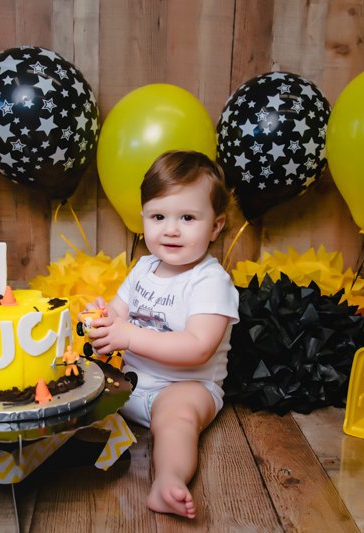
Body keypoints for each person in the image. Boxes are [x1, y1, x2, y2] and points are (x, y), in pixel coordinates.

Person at [85, 150, 239, 519]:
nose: (171, 229)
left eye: (187, 217)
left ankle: (168, 481)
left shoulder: (210, 280)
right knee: (77, 390)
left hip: (185, 387)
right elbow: (120, 314)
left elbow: (198, 347)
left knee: (177, 421)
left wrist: (128, 337)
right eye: (159, 217)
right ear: (143, 219)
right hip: (128, 384)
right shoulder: (143, 267)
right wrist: (102, 321)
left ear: (215, 226)